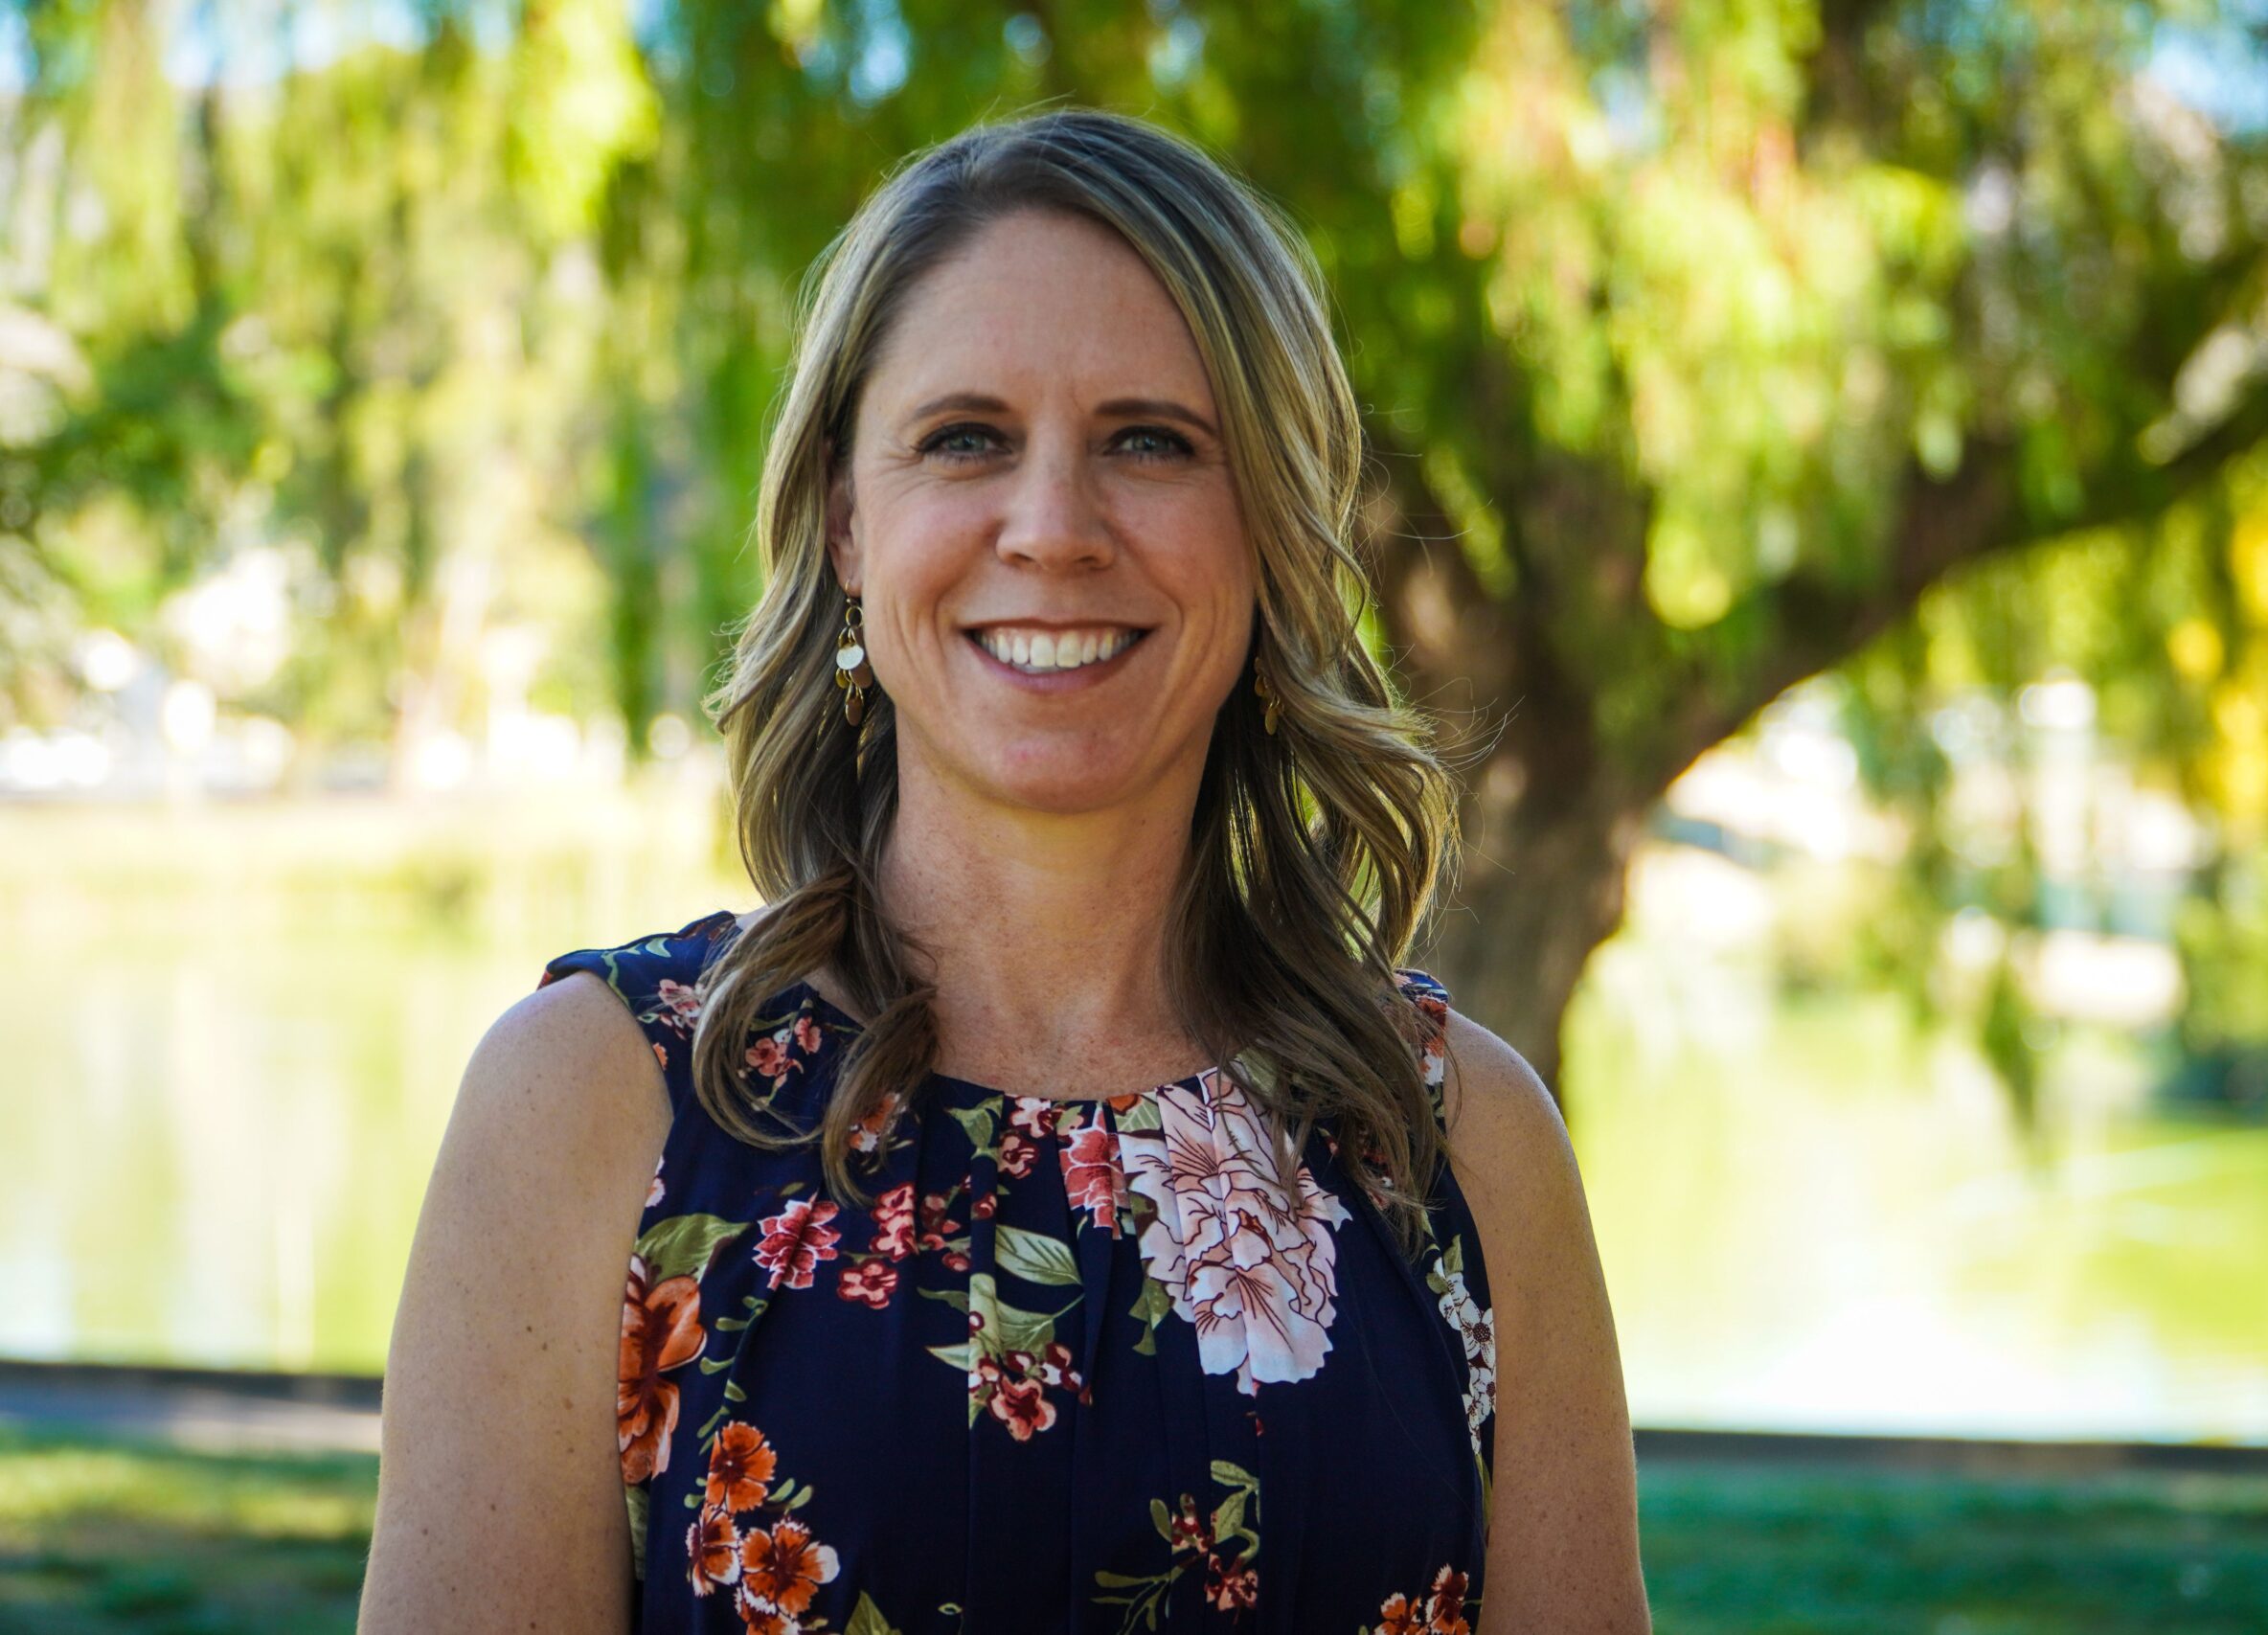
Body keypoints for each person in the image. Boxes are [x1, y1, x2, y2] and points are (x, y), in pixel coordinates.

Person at [360, 104, 1647, 1634]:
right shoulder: (596, 1108)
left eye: (1151, 443)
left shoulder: (1462, 1146)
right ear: (846, 519)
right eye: (966, 437)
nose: (1052, 529)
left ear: (1271, 531)